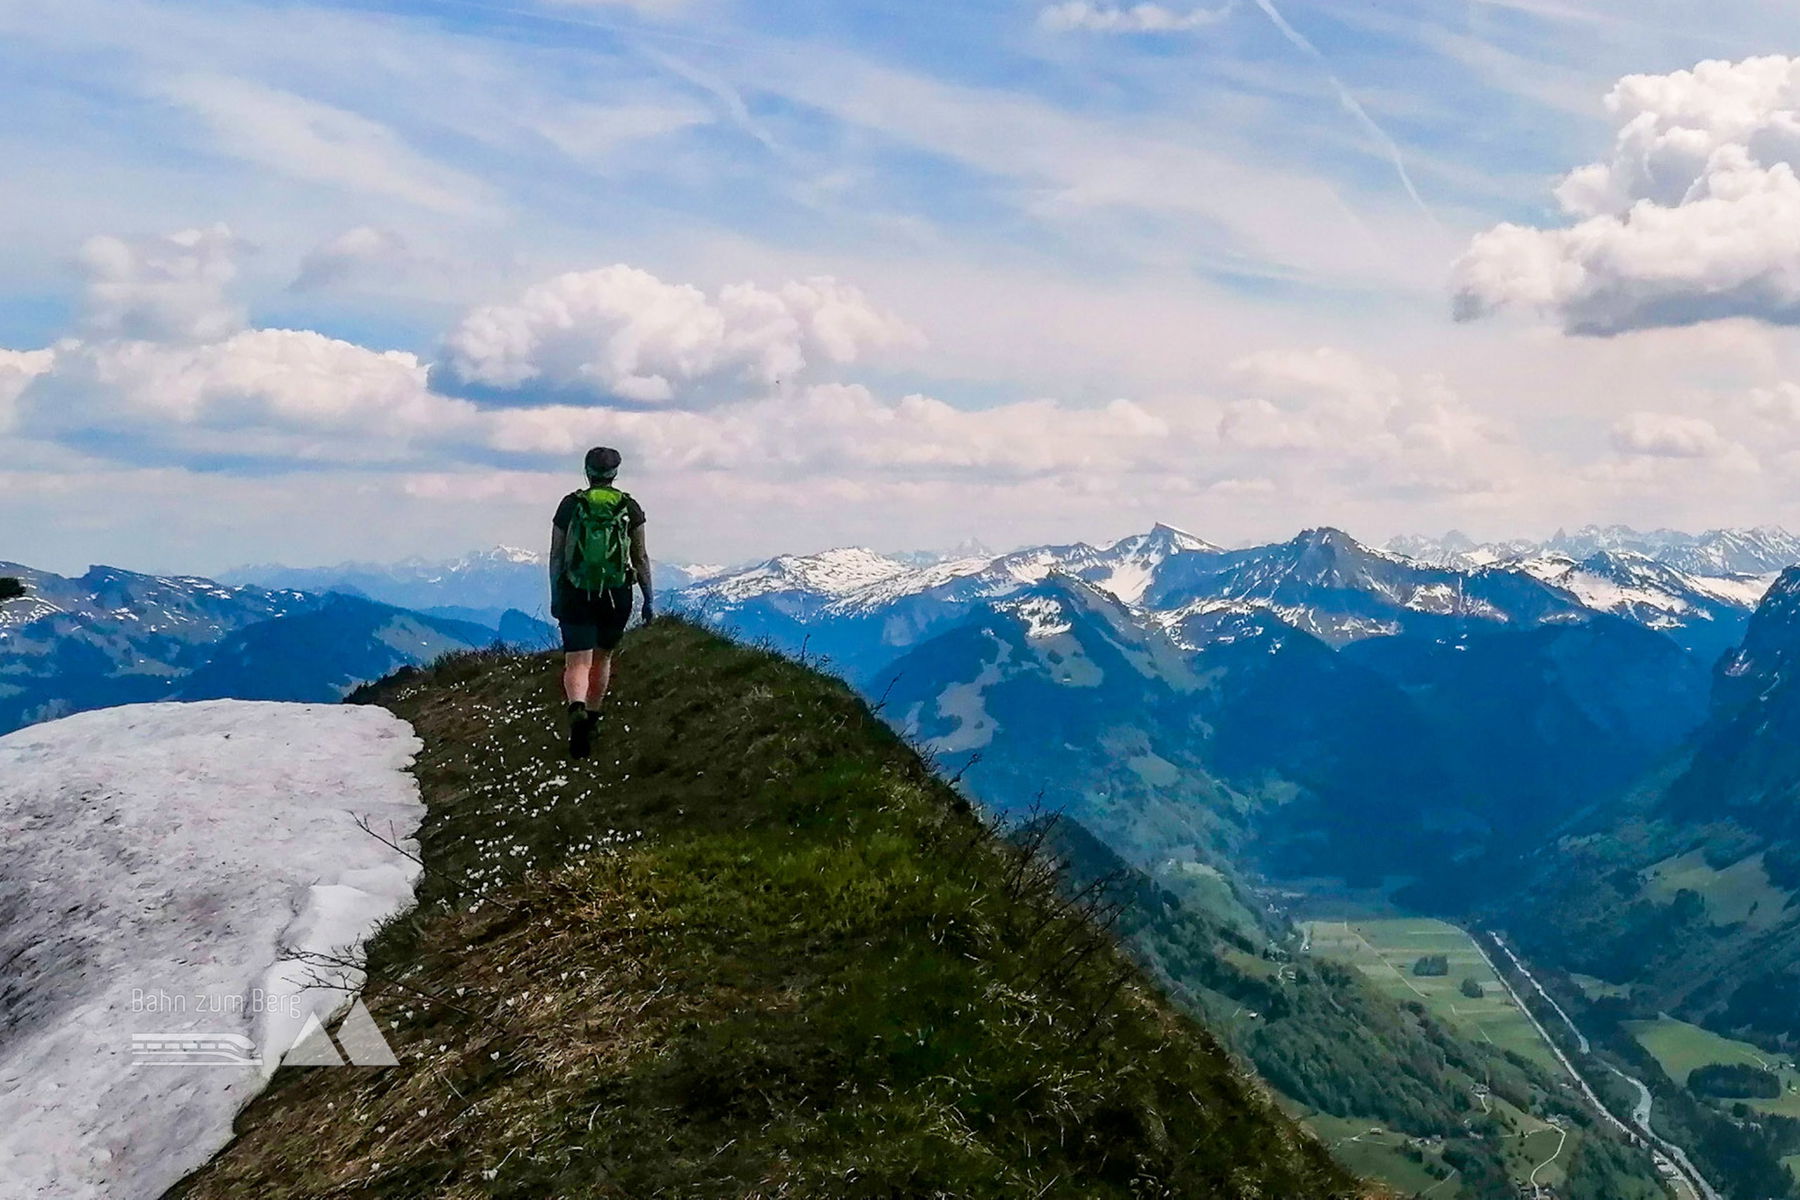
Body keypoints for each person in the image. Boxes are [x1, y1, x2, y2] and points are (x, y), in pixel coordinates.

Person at [549, 447, 653, 759]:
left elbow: (556, 556)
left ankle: (576, 707)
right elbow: (641, 557)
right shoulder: (628, 507)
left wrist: (557, 594)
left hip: (575, 591)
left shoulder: (571, 505)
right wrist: (648, 599)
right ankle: (592, 718)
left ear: (587, 471)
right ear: (615, 473)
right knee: (602, 658)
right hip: (616, 593)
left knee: (577, 661)